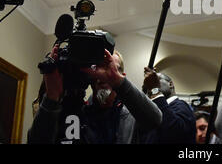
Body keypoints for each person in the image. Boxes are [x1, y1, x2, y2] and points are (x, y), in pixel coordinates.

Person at [28, 45, 162, 144]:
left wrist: (117, 81)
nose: (103, 76)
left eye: (112, 69)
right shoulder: (76, 113)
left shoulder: (133, 115)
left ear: (122, 75)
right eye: (99, 69)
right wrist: (51, 97)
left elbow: (155, 120)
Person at [139, 68, 196, 144]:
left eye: (157, 80)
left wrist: (155, 90)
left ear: (170, 84)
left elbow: (174, 133)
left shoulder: (181, 105)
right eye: (149, 85)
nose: (151, 86)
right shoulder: (154, 112)